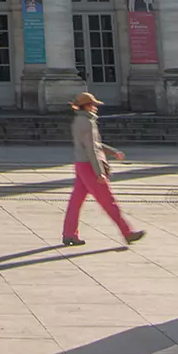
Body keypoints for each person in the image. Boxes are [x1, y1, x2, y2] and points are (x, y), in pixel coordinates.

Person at [63, 92, 146, 247]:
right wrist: (99, 171)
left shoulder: (78, 121)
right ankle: (127, 232)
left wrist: (112, 152)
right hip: (90, 166)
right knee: (109, 201)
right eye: (93, 105)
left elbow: (94, 145)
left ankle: (69, 234)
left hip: (81, 164)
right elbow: (92, 149)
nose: (95, 108)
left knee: (75, 202)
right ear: (86, 106)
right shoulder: (88, 122)